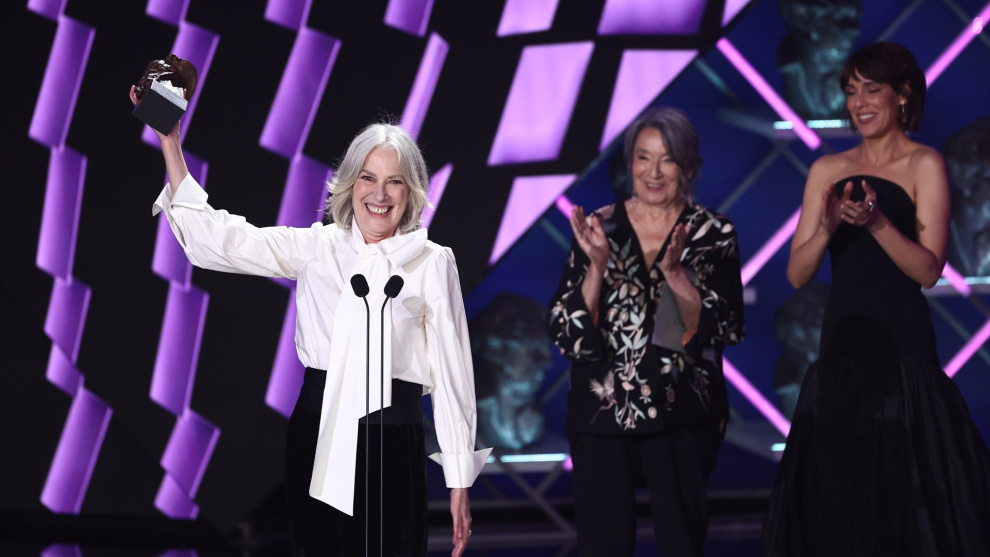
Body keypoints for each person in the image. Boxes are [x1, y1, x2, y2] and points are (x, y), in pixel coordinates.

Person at [130, 87, 491, 557]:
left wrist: (459, 480)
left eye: (395, 182)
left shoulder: (432, 262)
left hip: (391, 441)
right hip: (317, 432)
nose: (379, 194)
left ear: (411, 192)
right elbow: (218, 242)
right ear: (350, 183)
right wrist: (171, 144)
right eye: (368, 177)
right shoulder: (318, 247)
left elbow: (454, 374)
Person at [760, 41, 990, 556]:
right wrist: (828, 227)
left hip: (902, 347)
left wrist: (879, 223)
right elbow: (797, 274)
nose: (858, 102)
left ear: (902, 94)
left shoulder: (924, 164)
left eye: (871, 89)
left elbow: (928, 270)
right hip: (842, 346)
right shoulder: (827, 170)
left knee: (901, 488)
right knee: (841, 491)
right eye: (850, 91)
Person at [547, 107, 745, 557]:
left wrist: (675, 275)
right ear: (630, 163)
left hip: (683, 416)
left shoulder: (712, 233)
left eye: (667, 159)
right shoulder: (599, 228)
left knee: (681, 545)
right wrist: (596, 267)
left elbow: (724, 327)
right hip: (602, 414)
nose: (653, 172)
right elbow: (567, 333)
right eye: (643, 157)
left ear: (688, 167)